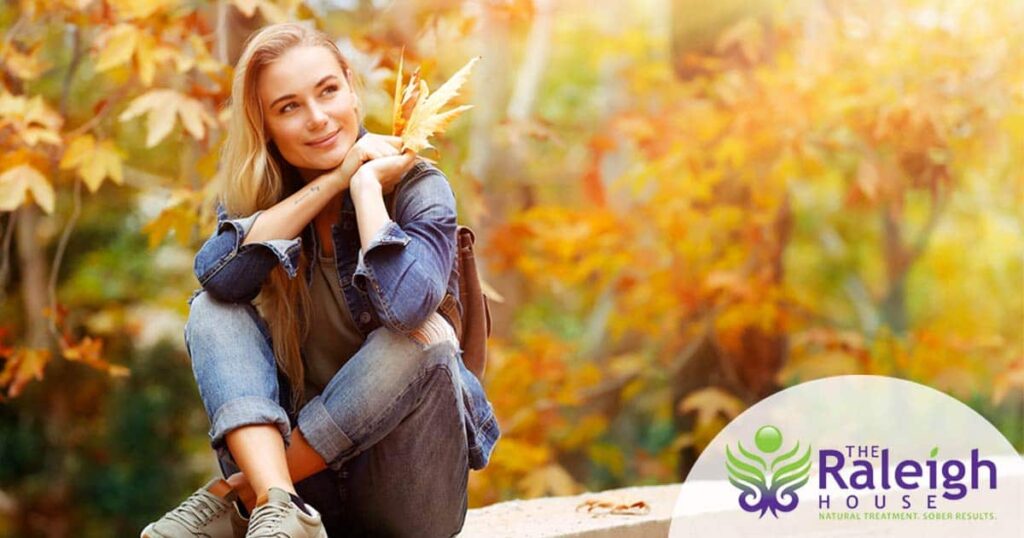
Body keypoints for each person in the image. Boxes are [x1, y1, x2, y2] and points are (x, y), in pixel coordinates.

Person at [141, 22, 499, 538]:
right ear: (264, 125)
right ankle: (278, 501)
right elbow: (219, 277)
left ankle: (243, 495)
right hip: (310, 502)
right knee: (211, 309)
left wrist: (365, 190)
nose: (317, 119)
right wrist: (333, 179)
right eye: (288, 107)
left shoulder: (419, 188)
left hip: (409, 494)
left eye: (328, 91)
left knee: (424, 339)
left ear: (351, 87)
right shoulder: (266, 201)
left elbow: (407, 310)